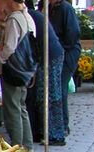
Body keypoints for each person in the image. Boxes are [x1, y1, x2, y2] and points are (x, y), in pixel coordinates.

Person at [36, 0, 81, 139]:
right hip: (52, 52)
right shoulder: (44, 6)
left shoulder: (65, 8)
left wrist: (60, 48)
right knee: (53, 89)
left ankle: (63, 126)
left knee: (59, 88)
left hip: (66, 53)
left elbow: (73, 33)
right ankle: (54, 126)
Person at [0, 0, 36, 149]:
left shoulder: (14, 19)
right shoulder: (27, 17)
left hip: (14, 69)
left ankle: (17, 146)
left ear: (10, 0)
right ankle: (27, 145)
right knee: (21, 108)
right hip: (26, 69)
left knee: (12, 110)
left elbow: (10, 47)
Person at [22, 8, 64, 146]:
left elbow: (30, 43)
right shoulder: (32, 15)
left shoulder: (27, 17)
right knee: (45, 95)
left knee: (50, 96)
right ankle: (46, 132)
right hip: (49, 55)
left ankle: (56, 135)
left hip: (50, 56)